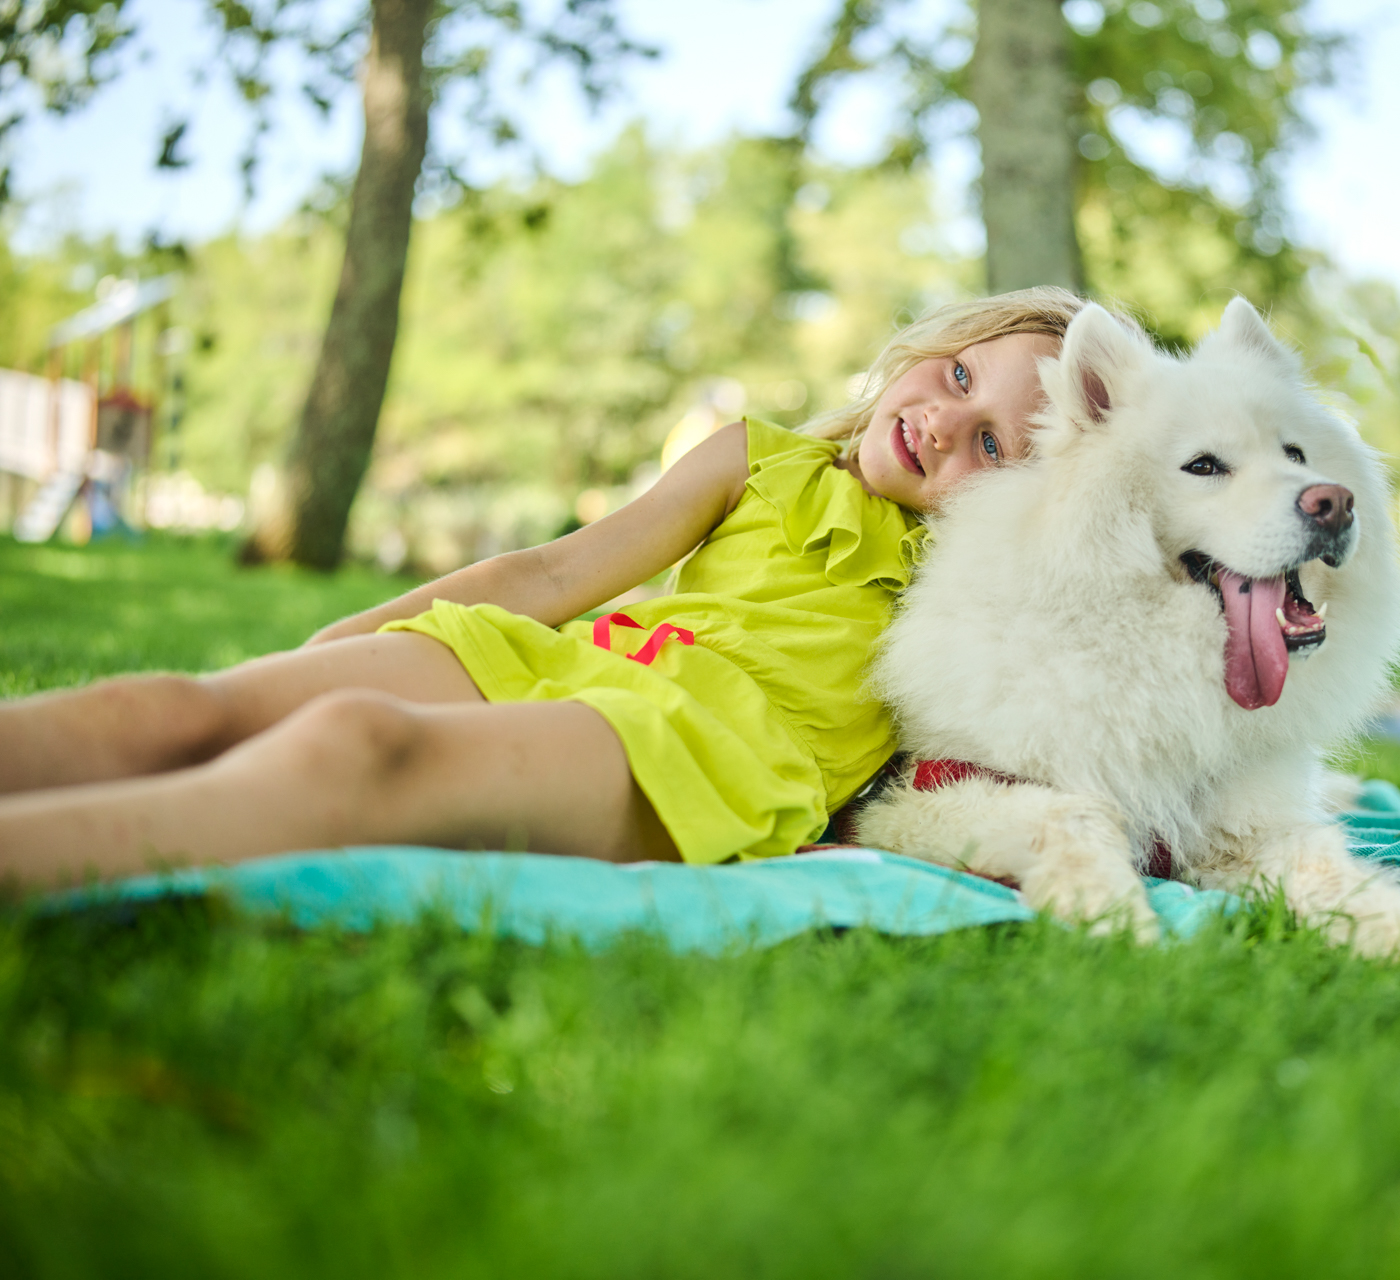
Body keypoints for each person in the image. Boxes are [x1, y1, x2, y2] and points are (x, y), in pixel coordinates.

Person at [0, 287, 1087, 891]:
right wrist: (343, 634)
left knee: (352, 747)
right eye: (960, 376)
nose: (945, 422)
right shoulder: (754, 456)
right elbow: (552, 572)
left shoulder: (972, 586)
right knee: (181, 706)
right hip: (585, 654)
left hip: (702, 750)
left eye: (994, 444)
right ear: (939, 343)